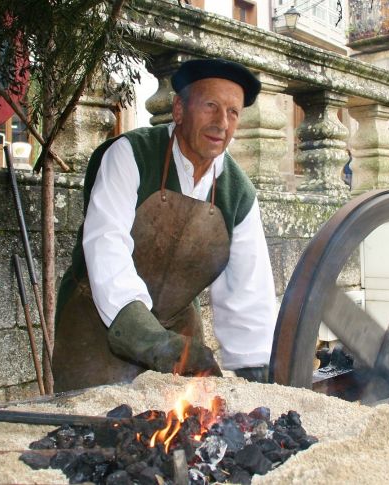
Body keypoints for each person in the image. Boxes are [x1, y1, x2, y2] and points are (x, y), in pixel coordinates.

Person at [52, 58, 276, 392]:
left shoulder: (238, 192)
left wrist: (256, 373)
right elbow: (106, 246)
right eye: (210, 106)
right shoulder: (131, 155)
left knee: (184, 433)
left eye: (233, 112)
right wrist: (151, 341)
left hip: (178, 331)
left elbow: (248, 291)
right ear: (179, 109)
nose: (221, 123)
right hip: (99, 324)